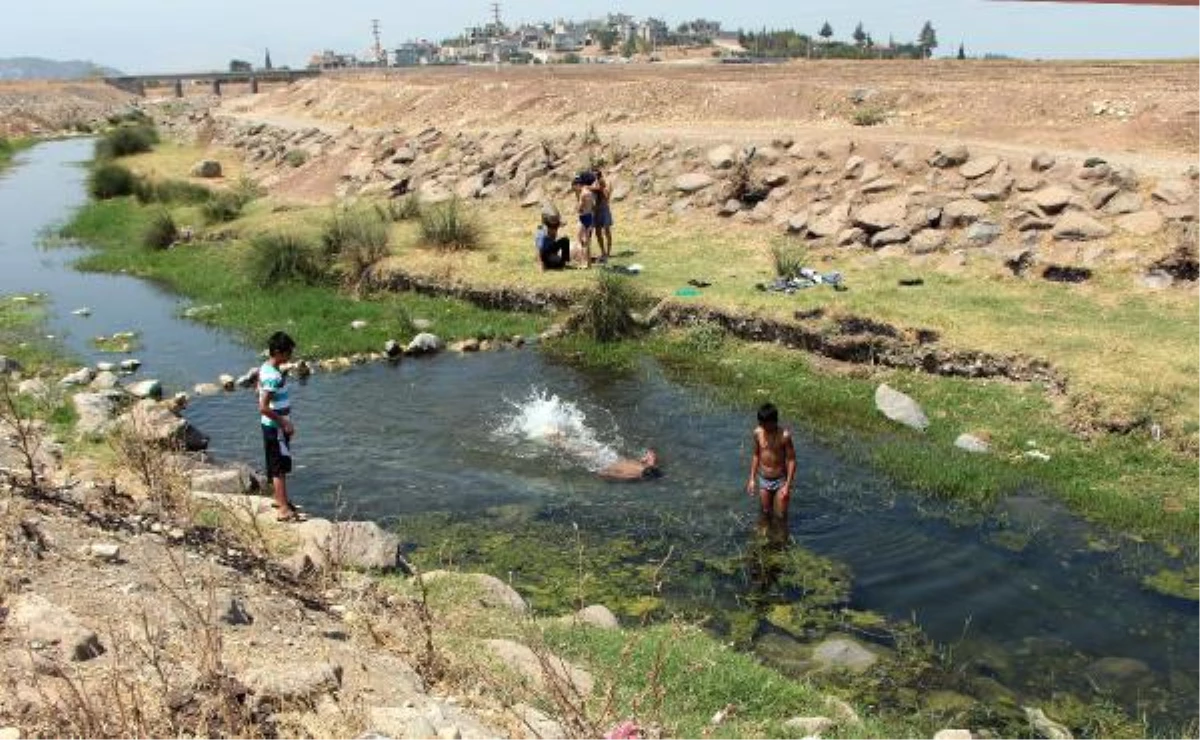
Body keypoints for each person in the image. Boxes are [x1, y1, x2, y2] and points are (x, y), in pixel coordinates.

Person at [258, 331, 304, 522]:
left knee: (275, 463)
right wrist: (284, 423)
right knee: (280, 467)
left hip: (271, 426)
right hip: (276, 427)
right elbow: (263, 407)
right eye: (288, 352)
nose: (290, 356)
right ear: (277, 351)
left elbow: (259, 392)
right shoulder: (273, 377)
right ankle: (283, 509)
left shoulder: (266, 368)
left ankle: (279, 499)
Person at [745, 402, 796, 519]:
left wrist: (787, 485)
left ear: (773, 422)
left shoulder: (784, 436)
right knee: (766, 512)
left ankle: (782, 536)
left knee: (781, 515)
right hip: (764, 480)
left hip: (780, 480)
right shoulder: (758, 433)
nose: (762, 427)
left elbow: (792, 460)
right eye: (760, 424)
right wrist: (752, 479)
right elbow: (756, 455)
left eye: (765, 425)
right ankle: (765, 533)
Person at [573, 172, 596, 266]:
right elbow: (593, 206)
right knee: (587, 241)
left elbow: (579, 208)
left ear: (579, 184)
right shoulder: (590, 193)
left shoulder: (583, 194)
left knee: (579, 240)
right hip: (590, 217)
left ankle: (582, 262)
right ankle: (589, 263)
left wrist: (577, 207)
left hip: (583, 217)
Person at [597, 449, 662, 482]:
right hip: (608, 462)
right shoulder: (633, 476)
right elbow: (606, 474)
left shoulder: (649, 465)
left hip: (615, 459)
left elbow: (651, 453)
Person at [591, 169, 614, 264]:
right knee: (598, 232)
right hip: (597, 211)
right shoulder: (593, 184)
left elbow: (601, 191)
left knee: (606, 231)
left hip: (604, 210)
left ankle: (608, 252)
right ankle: (603, 252)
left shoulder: (601, 182)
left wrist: (586, 187)